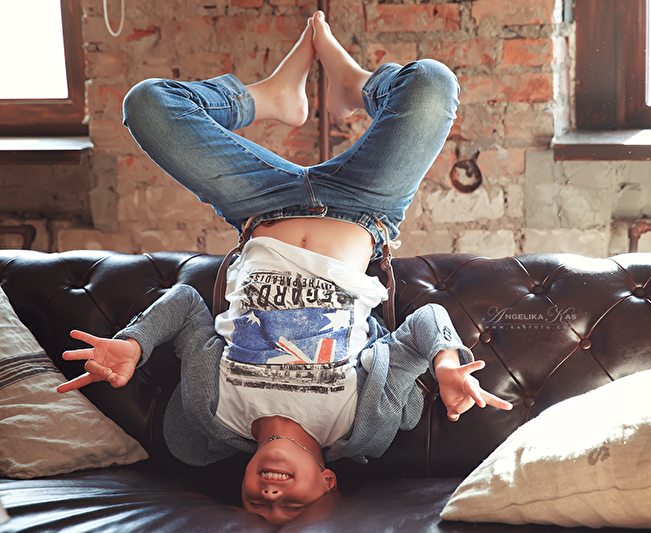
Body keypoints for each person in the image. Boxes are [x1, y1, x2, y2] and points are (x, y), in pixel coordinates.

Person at [57, 11, 512, 525]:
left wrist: (135, 343)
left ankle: (267, 98)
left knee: (147, 104)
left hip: (260, 206)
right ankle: (356, 85)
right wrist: (446, 363)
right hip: (365, 206)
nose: (273, 496)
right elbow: (424, 322)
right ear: (328, 480)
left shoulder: (213, 414)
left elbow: (185, 305)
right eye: (293, 507)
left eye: (258, 505)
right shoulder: (363, 427)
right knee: (432, 83)